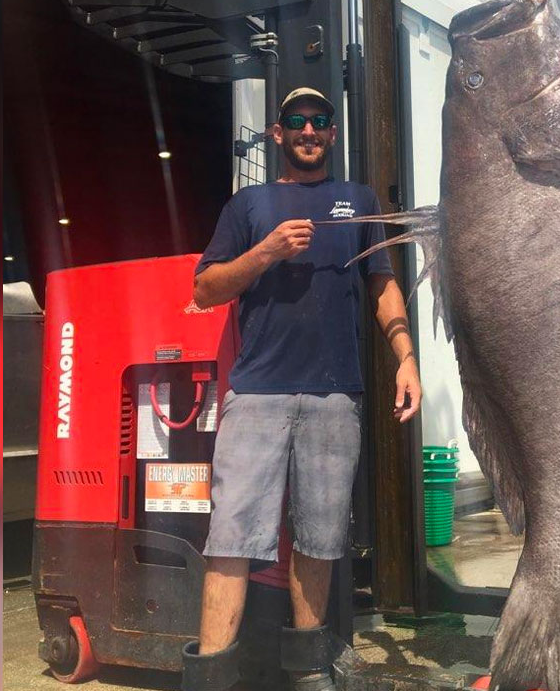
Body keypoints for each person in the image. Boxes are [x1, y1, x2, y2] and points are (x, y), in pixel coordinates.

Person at [182, 87, 422, 691]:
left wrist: (406, 359)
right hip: (257, 394)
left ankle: (309, 674)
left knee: (318, 539)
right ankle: (210, 677)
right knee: (230, 539)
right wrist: (265, 252)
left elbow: (383, 286)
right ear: (277, 131)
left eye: (320, 122)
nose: (309, 130)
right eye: (297, 121)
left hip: (334, 396)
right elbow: (206, 289)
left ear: (333, 135)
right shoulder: (248, 204)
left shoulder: (357, 200)